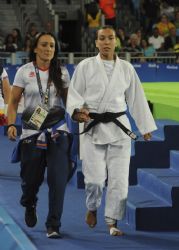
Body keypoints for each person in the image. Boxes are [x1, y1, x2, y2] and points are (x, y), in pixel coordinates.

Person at [66, 26, 157, 236]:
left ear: (116, 41)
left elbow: (137, 98)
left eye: (110, 38)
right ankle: (92, 207)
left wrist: (145, 127)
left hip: (119, 128)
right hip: (93, 126)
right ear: (96, 43)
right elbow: (75, 94)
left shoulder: (126, 68)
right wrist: (77, 112)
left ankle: (112, 221)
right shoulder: (85, 66)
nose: (106, 42)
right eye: (102, 39)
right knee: (95, 180)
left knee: (119, 181)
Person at [7, 32, 72, 239]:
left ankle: (53, 224)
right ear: (35, 48)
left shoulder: (61, 72)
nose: (48, 49)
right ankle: (29, 201)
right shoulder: (24, 72)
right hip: (32, 130)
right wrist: (10, 124)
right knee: (30, 180)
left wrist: (81, 113)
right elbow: (14, 101)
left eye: (52, 46)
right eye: (44, 45)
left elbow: (70, 102)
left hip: (57, 131)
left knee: (57, 179)